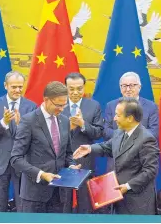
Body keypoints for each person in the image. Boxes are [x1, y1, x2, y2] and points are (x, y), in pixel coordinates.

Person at [74, 97, 159, 215]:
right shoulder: (120, 132)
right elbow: (108, 147)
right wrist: (89, 149)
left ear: (129, 118)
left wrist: (128, 186)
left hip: (137, 203)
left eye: (118, 115)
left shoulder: (147, 139)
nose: (114, 119)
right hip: (118, 198)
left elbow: (150, 171)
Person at [10, 81, 81, 213]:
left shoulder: (65, 121)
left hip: (59, 195)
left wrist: (71, 166)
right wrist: (41, 174)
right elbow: (15, 159)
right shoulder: (28, 121)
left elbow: (67, 153)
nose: (61, 109)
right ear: (46, 99)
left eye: (64, 105)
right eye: (58, 105)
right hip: (34, 195)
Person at [0, 71, 37, 212]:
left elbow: (36, 137)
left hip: (22, 162)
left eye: (20, 86)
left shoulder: (31, 106)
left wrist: (21, 126)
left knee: (23, 206)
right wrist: (4, 122)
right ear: (5, 86)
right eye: (14, 87)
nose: (18, 90)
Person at [62, 72, 104, 214]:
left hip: (85, 160)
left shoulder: (93, 106)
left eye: (79, 88)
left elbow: (99, 133)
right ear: (65, 88)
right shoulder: (58, 104)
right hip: (62, 160)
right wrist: (70, 128)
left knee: (85, 203)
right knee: (63, 202)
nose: (75, 92)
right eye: (71, 89)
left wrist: (83, 124)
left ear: (84, 88)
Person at [104, 71, 159, 171]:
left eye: (132, 85)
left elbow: (154, 132)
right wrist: (124, 137)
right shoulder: (111, 106)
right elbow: (106, 130)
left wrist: (132, 137)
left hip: (141, 162)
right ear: (120, 88)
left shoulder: (151, 107)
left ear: (139, 87)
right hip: (116, 162)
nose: (128, 89)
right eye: (124, 86)